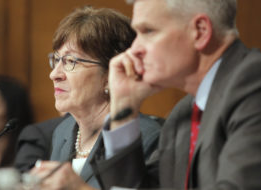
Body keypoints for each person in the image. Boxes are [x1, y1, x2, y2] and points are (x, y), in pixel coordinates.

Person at [87, 0, 261, 190]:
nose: (134, 49)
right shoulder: (184, 112)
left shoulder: (258, 83)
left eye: (148, 31)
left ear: (200, 31)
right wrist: (124, 105)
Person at [19, 6, 163, 189]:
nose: (54, 74)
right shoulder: (63, 131)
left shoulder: (145, 137)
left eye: (71, 61)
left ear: (110, 74)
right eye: (56, 60)